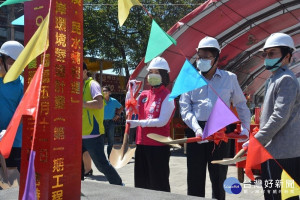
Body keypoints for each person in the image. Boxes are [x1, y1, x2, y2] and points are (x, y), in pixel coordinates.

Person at [179, 36, 251, 199]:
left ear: (216, 58)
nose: (201, 61)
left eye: (206, 57)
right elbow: (185, 108)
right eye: (199, 57)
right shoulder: (189, 79)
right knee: (195, 177)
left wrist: (246, 127)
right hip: (196, 133)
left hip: (220, 133)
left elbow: (240, 104)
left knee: (219, 177)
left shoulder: (229, 78)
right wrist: (197, 129)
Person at [243, 33, 300, 200]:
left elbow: (279, 116)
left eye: (272, 53)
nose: (267, 58)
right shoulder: (275, 78)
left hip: (283, 154)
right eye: (266, 54)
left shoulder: (286, 79)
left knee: (282, 196)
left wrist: (257, 139)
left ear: (287, 56)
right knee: (274, 194)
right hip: (274, 150)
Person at [126, 57, 175, 192]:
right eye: (151, 72)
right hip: (142, 144)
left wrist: (139, 123)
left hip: (158, 146)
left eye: (156, 72)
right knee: (141, 184)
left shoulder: (168, 96)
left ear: (164, 75)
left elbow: (162, 121)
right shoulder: (144, 94)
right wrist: (129, 95)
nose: (152, 75)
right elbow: (130, 109)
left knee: (159, 184)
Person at [82, 62, 123, 185]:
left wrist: (81, 103)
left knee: (101, 164)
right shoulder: (78, 85)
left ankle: (119, 184)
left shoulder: (93, 85)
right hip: (79, 132)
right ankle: (78, 189)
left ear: (85, 71)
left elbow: (99, 104)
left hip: (92, 133)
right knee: (77, 165)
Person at [0, 41, 24, 172]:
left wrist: (7, 133)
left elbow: (22, 114)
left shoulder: (22, 84)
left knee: (10, 185)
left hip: (14, 143)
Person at [103, 85, 123, 158]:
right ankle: (102, 158)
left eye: (105, 91)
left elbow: (121, 107)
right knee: (101, 141)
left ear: (109, 92)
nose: (104, 92)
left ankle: (110, 157)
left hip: (111, 122)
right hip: (101, 122)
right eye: (103, 91)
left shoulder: (114, 101)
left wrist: (117, 115)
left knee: (111, 141)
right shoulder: (100, 100)